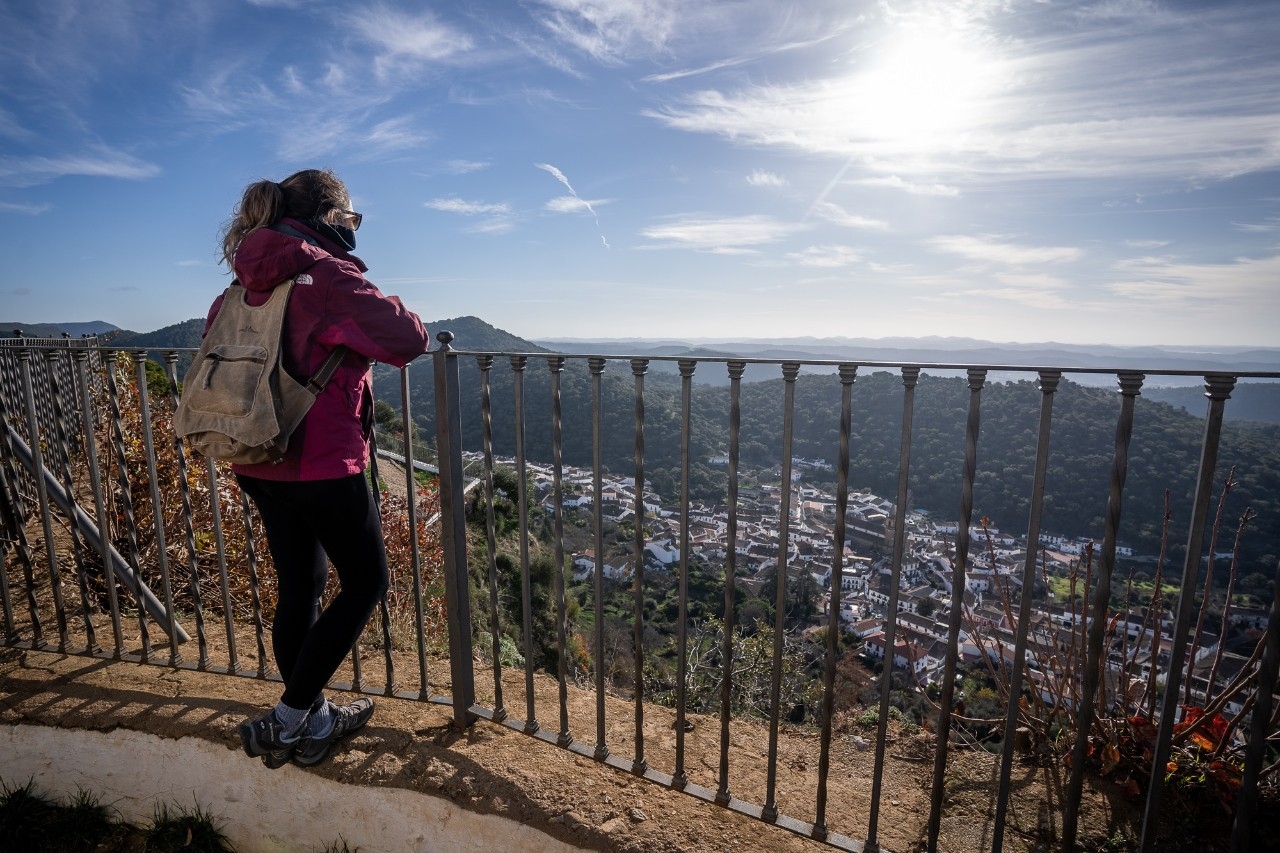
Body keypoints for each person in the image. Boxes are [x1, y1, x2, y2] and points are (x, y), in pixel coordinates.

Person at [208, 168, 430, 768]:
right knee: (366, 583)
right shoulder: (328, 278)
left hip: (256, 457)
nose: (354, 231)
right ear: (332, 219)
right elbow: (409, 339)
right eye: (351, 220)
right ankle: (286, 722)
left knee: (300, 588)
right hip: (324, 462)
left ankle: (315, 720)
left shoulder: (237, 287)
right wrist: (370, 291)